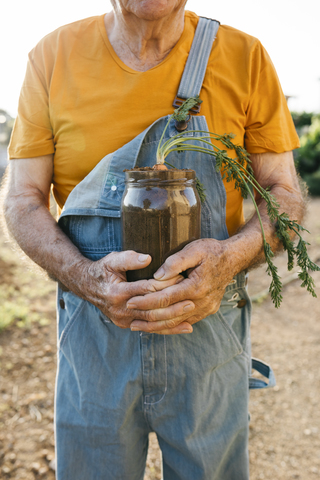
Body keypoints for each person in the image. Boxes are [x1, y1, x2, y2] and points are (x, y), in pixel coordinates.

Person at [3, 1, 303, 479]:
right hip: (95, 331)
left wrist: (227, 259)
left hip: (204, 323)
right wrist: (88, 279)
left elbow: (284, 193)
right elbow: (22, 199)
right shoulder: (53, 55)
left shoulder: (245, 56)